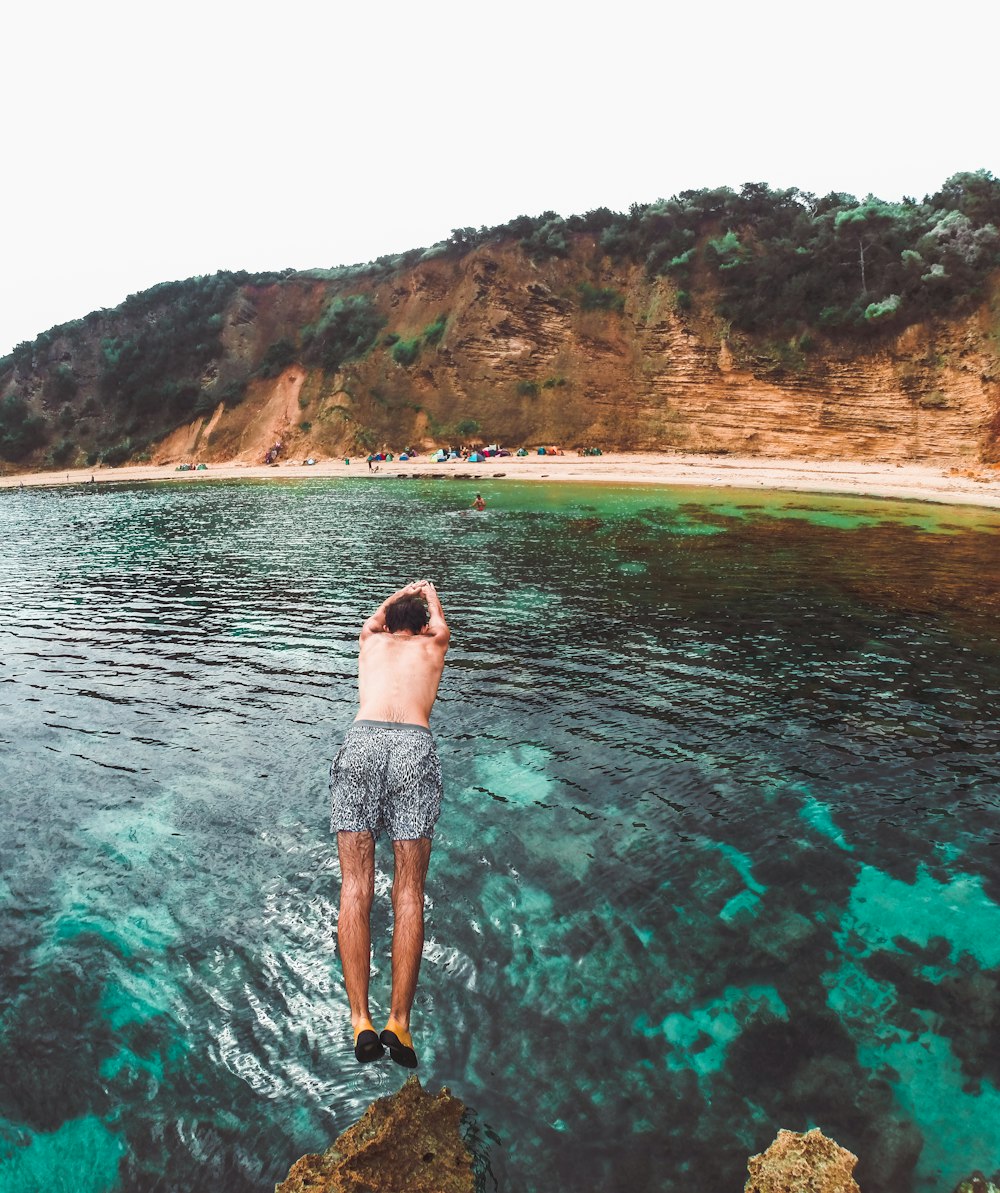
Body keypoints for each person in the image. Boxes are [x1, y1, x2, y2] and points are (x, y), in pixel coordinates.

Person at [330, 580, 450, 1068]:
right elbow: (442, 625)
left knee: (355, 886)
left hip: (362, 744)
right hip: (414, 749)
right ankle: (398, 1022)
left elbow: (375, 620)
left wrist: (399, 593)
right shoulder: (433, 643)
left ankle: (360, 1019)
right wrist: (430, 593)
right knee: (408, 893)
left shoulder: (371, 640)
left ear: (389, 625)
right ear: (421, 627)